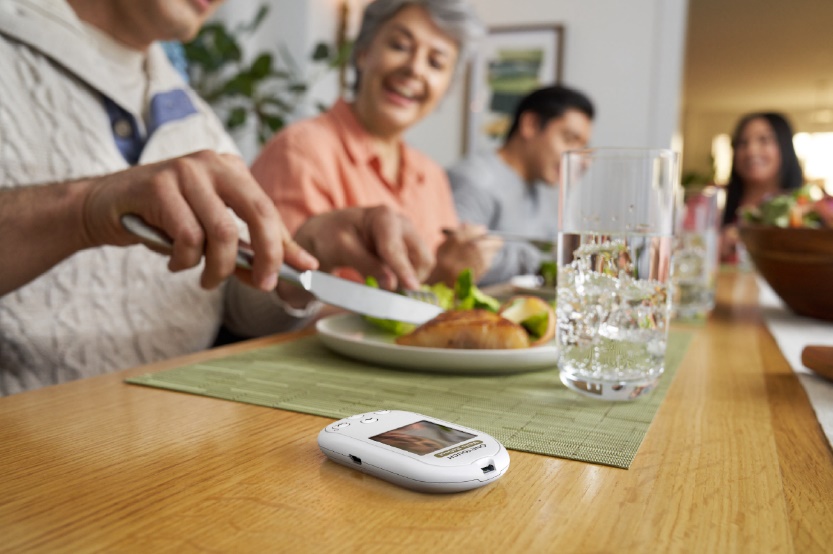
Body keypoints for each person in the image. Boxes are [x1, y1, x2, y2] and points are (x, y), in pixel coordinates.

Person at [0, 0, 434, 396]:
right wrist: (84, 211)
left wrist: (307, 250)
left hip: (190, 443)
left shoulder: (196, 118)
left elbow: (233, 312)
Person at [250, 0, 500, 286]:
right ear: (364, 52)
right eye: (400, 46)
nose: (415, 69)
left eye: (436, 62)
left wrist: (453, 271)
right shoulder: (301, 150)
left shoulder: (432, 176)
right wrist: (438, 283)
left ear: (446, 88)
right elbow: (284, 297)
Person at [447, 85, 594, 285]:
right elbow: (455, 263)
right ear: (530, 124)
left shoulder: (541, 188)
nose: (581, 159)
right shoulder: (475, 180)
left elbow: (555, 248)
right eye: (569, 140)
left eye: (582, 147)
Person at [719, 112, 803, 263]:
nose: (751, 151)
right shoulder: (712, 207)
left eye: (764, 140)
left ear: (784, 146)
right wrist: (715, 248)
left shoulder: (806, 210)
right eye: (742, 143)